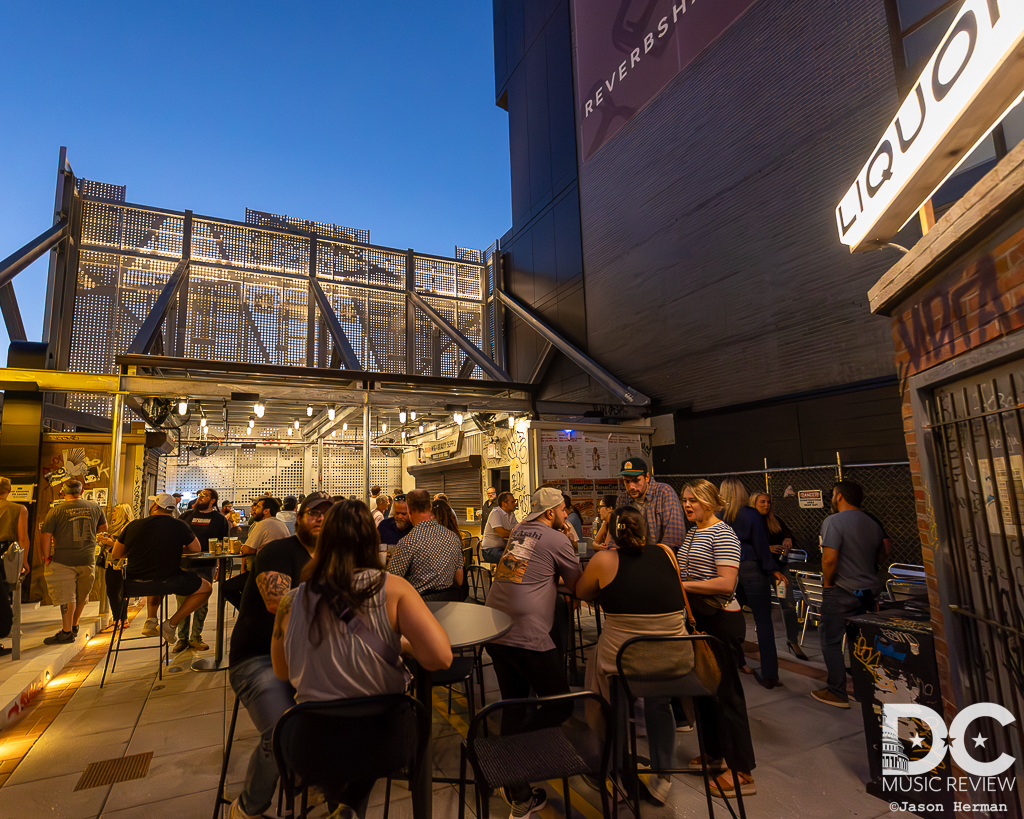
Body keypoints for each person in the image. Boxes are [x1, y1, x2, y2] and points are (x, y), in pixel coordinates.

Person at [270, 500, 452, 816]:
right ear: (372, 541)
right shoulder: (393, 588)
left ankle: (342, 803)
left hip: (312, 743)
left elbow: (281, 671)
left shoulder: (290, 601)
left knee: (339, 761)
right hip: (384, 741)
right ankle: (348, 804)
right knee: (382, 733)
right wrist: (402, 644)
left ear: (322, 541)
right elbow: (441, 659)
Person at [227, 491, 333, 819]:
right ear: (299, 517)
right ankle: (248, 807)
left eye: (326, 514)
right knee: (281, 732)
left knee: (348, 715)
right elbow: (279, 605)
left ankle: (312, 778)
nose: (320, 519)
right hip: (258, 659)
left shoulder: (333, 557)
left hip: (311, 658)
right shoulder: (278, 551)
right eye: (313, 513)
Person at [483, 487, 582, 817]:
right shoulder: (557, 539)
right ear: (551, 513)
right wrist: (569, 539)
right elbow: (578, 584)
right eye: (563, 511)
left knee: (513, 702)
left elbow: (521, 573)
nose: (566, 516)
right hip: (527, 635)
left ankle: (520, 793)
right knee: (560, 704)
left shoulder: (518, 531)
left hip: (496, 628)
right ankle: (507, 755)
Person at [577, 506, 686, 804]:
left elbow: (582, 592)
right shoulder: (666, 552)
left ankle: (613, 768)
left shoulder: (604, 559)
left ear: (612, 532)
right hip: (674, 656)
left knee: (607, 687)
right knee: (658, 702)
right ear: (646, 529)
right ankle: (663, 777)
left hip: (624, 661)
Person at [678, 480, 757, 798]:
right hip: (701, 622)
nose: (687, 505)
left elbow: (726, 583)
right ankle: (713, 754)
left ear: (709, 502)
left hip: (721, 622)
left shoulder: (722, 533)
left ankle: (742, 770)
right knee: (704, 691)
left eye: (693, 500)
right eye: (684, 500)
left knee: (726, 695)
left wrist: (683, 586)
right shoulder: (694, 531)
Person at [811, 481, 885, 709]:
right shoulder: (872, 522)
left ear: (839, 496)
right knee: (860, 642)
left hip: (841, 590)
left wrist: (827, 584)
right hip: (868, 591)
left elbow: (829, 558)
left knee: (831, 640)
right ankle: (865, 690)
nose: (831, 499)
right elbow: (883, 552)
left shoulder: (833, 521)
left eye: (833, 495)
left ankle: (837, 691)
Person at [112, 494, 212, 643]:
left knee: (154, 579)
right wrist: (174, 548)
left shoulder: (134, 525)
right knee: (206, 588)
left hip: (134, 585)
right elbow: (196, 548)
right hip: (168, 580)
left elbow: (116, 553)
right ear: (172, 510)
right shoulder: (179, 525)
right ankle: (171, 624)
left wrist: (140, 550)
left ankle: (151, 621)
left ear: (155, 506)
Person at [719, 477, 786, 688]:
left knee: (732, 619)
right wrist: (772, 569)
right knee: (763, 621)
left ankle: (738, 662)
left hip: (727, 569)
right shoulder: (751, 514)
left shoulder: (716, 515)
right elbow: (761, 544)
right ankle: (770, 674)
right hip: (751, 567)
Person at [39, 480, 107, 644]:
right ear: (82, 491)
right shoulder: (95, 507)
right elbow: (103, 527)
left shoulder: (56, 510)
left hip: (64, 560)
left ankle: (67, 631)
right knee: (82, 595)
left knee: (66, 596)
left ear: (63, 492)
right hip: (87, 558)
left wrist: (46, 557)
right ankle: (75, 625)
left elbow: (46, 535)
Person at [749, 492, 807, 660]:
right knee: (762, 606)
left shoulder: (775, 520)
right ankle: (765, 643)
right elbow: (745, 546)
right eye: (762, 502)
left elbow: (788, 533)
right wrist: (766, 548)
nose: (766, 505)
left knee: (788, 604)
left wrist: (788, 539)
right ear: (754, 503)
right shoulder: (750, 522)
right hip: (760, 569)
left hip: (779, 568)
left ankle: (793, 641)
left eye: (768, 502)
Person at [178, 488, 230, 651]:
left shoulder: (219, 519)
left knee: (201, 603)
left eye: (204, 495)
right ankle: (182, 639)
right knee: (182, 602)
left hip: (206, 566)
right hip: (184, 564)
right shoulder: (186, 516)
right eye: (199, 495)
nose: (200, 497)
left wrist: (221, 566)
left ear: (213, 500)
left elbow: (224, 542)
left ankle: (196, 637)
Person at [388, 490, 463, 596]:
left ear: (409, 510)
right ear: (430, 507)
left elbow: (393, 582)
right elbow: (459, 580)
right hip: (449, 602)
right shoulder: (453, 537)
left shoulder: (408, 542)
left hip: (416, 605)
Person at [615, 458, 686, 551]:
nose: (631, 486)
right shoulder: (622, 499)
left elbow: (673, 537)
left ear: (647, 477)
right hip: (632, 556)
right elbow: (615, 533)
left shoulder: (664, 492)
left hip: (660, 556)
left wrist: (654, 557)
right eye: (626, 481)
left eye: (636, 480)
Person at [0, 477, 30, 656]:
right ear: (9, 490)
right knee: (5, 596)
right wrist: (23, 562)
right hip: (6, 555)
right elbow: (22, 538)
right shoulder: (19, 509)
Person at [96, 503, 135, 629]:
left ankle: (121, 619)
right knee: (113, 592)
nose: (112, 513)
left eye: (115, 511)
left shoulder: (128, 527)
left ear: (122, 513)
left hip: (121, 565)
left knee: (117, 592)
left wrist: (111, 543)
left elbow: (129, 547)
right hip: (111, 563)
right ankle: (119, 618)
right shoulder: (113, 527)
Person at [480, 492, 518, 563]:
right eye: (512, 502)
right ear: (504, 504)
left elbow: (518, 528)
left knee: (523, 556)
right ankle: (502, 574)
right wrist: (518, 533)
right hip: (490, 550)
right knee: (512, 560)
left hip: (503, 548)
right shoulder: (495, 513)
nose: (515, 504)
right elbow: (502, 533)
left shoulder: (511, 514)